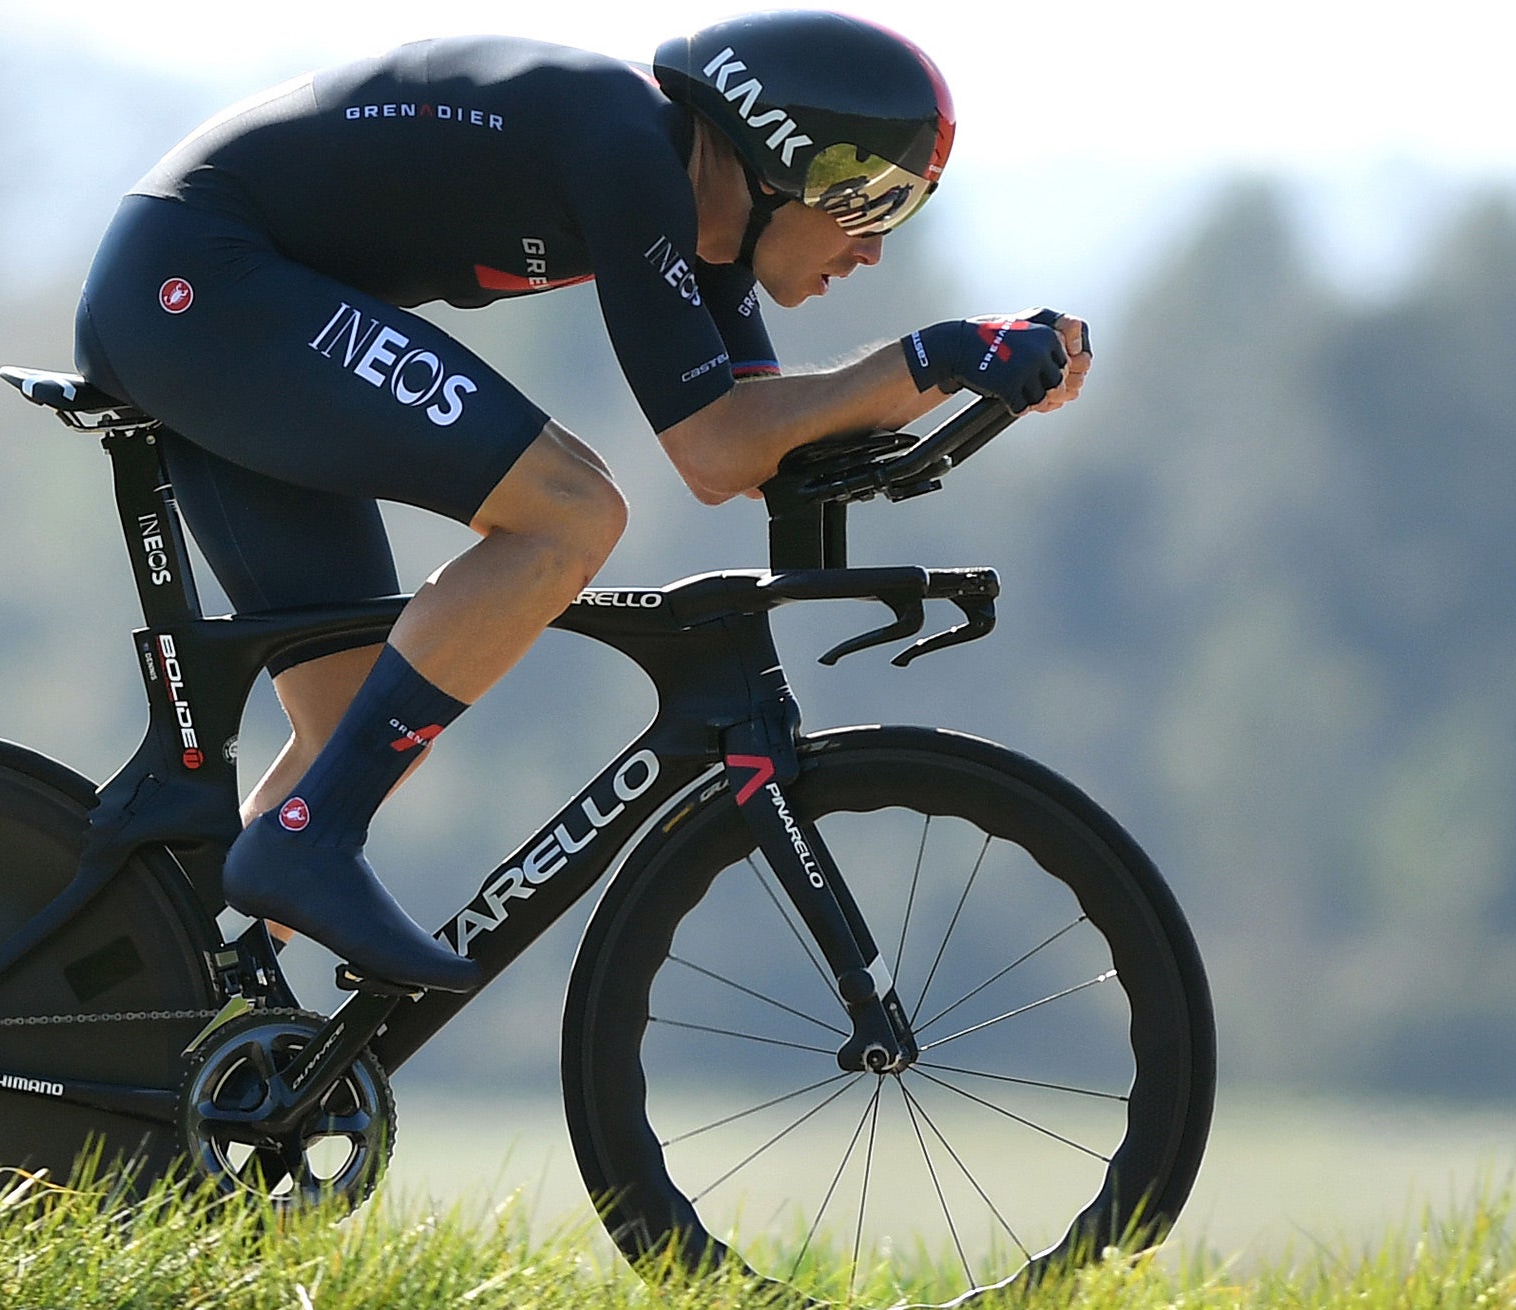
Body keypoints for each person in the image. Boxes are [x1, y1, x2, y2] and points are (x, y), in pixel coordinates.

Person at [73, 11, 1091, 993]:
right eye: (870, 203)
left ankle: (155, 1012)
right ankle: (308, 842)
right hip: (198, 282)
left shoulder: (693, 207)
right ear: (779, 160)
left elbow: (765, 432)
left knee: (354, 726)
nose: (873, 249)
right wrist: (941, 355)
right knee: (571, 511)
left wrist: (970, 375)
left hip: (222, 296)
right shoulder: (630, 155)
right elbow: (714, 451)